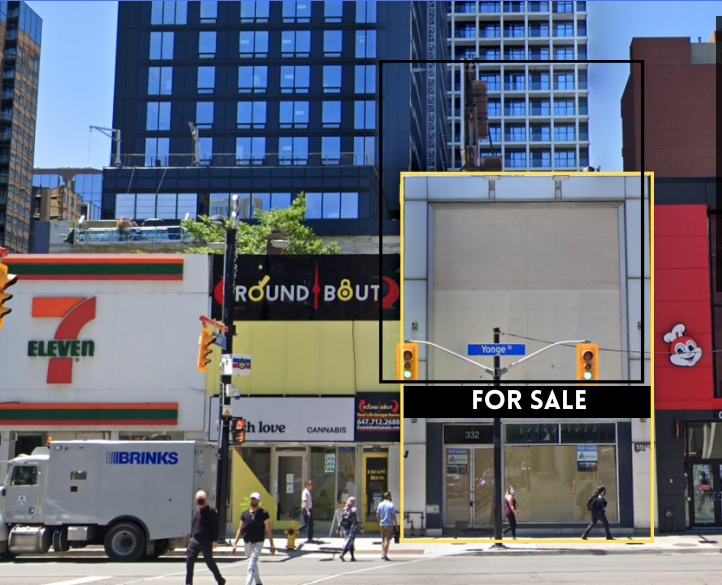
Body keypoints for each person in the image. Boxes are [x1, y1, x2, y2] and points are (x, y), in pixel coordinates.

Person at [232, 492, 276, 585]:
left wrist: (272, 544)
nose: (253, 500)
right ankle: (258, 582)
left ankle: (248, 583)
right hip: (247, 543)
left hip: (258, 543)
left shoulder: (264, 514)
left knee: (251, 564)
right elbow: (240, 529)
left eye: (255, 499)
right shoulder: (245, 514)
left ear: (259, 501)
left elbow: (268, 529)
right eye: (252, 498)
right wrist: (235, 544)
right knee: (252, 563)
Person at [185, 490, 226, 585]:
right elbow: (194, 524)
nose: (200, 500)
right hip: (195, 540)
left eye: (202, 498)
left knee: (209, 562)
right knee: (189, 561)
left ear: (206, 499)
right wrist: (191, 535)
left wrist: (214, 540)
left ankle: (220, 580)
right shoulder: (195, 511)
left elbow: (215, 527)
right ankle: (188, 583)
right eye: (199, 499)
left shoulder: (211, 511)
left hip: (206, 541)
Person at [338, 496, 363, 562]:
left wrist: (339, 529)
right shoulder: (354, 509)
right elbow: (358, 519)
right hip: (352, 528)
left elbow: (341, 521)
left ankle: (352, 557)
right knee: (349, 542)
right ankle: (342, 554)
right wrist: (361, 527)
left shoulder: (344, 509)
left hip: (345, 529)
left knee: (350, 542)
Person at [376, 491, 398, 561]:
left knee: (383, 540)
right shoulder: (391, 505)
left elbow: (377, 514)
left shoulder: (380, 504)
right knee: (387, 540)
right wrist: (396, 525)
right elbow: (393, 516)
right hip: (389, 524)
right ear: (389, 497)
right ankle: (385, 555)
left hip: (382, 524)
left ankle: (383, 553)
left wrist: (379, 521)